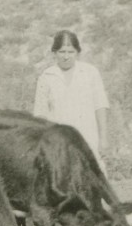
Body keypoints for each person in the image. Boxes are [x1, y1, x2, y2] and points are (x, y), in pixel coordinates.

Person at [33, 30, 110, 175]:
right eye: (62, 52)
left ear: (77, 53)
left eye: (70, 52)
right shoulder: (47, 77)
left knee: (94, 180)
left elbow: (100, 105)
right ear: (54, 53)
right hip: (59, 143)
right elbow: (40, 114)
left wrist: (103, 139)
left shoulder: (90, 72)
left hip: (88, 139)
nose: (66, 56)